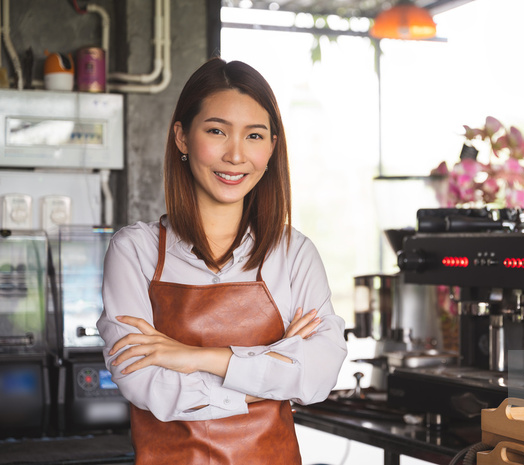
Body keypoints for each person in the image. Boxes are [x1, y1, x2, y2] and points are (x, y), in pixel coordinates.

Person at [96, 58, 348, 465]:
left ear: (271, 147)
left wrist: (194, 356)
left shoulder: (294, 253)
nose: (235, 155)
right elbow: (143, 382)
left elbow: (318, 377)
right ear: (181, 136)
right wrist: (275, 367)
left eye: (254, 135)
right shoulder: (134, 251)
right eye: (217, 131)